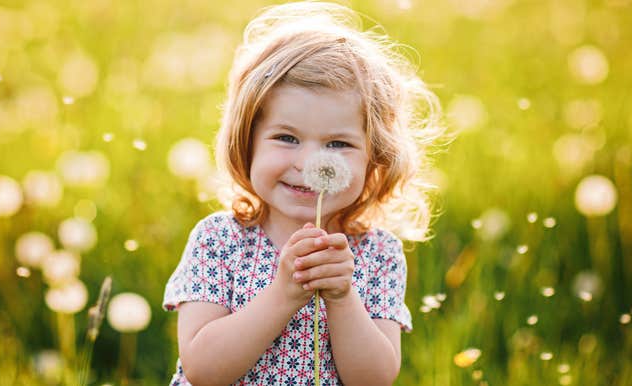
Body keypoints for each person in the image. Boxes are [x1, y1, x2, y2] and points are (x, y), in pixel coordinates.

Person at [163, 2, 444, 385]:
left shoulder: (376, 255)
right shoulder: (219, 241)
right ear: (248, 143)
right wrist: (283, 295)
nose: (309, 162)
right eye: (286, 137)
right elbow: (203, 370)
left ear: (374, 157)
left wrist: (343, 298)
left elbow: (373, 379)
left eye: (338, 144)